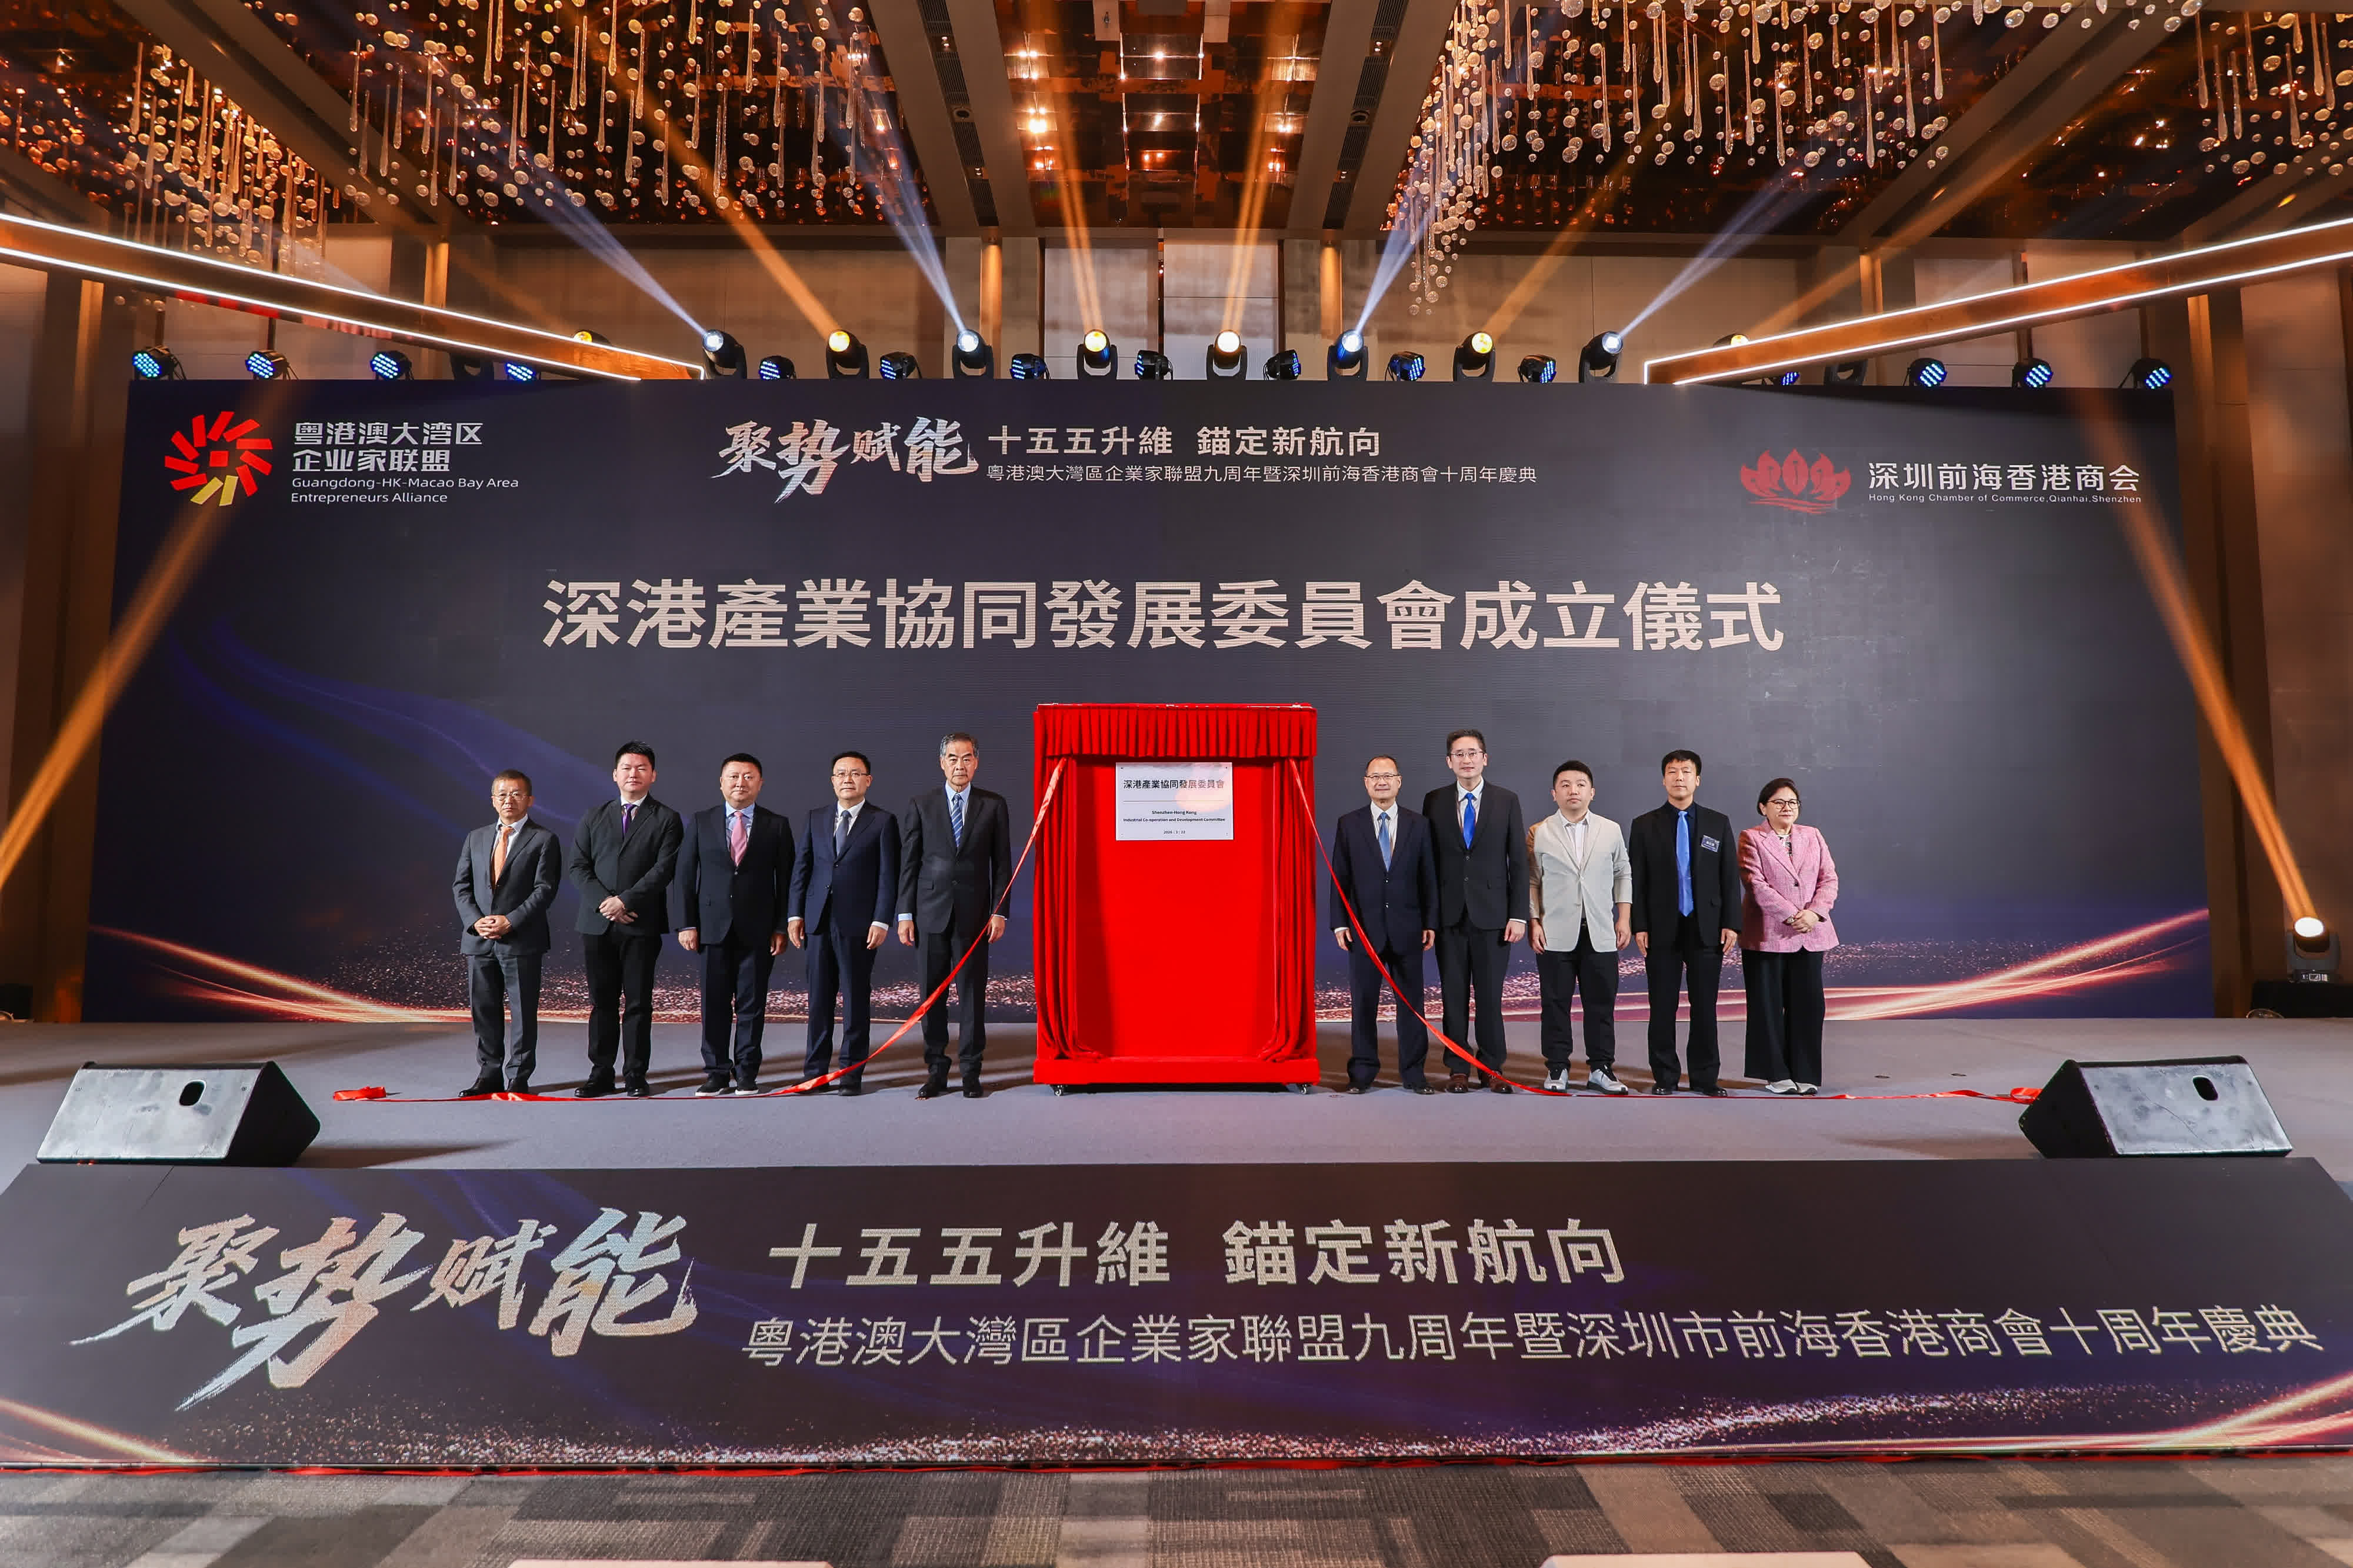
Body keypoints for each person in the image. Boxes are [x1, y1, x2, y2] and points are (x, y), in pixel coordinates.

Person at [896, 732, 1012, 1100]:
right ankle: (936, 1071)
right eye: (952, 758)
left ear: (976, 762)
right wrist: (905, 913)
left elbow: (1002, 864)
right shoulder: (922, 804)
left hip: (975, 915)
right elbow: (909, 863)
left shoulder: (993, 805)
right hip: (929, 913)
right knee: (932, 996)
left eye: (966, 758)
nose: (959, 765)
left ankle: (971, 1072)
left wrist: (999, 910)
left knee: (973, 996)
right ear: (941, 762)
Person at [566, 742, 683, 1098]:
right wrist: (607, 903)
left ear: (654, 775)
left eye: (642, 768)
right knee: (602, 1003)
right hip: (597, 923)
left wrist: (625, 901)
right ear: (615, 774)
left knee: (638, 1003)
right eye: (627, 768)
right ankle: (601, 1073)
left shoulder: (667, 819)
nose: (634, 774)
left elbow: (664, 869)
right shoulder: (593, 816)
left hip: (641, 923)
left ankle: (635, 1074)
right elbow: (578, 866)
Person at [675, 753, 794, 1097]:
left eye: (748, 777)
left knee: (752, 1005)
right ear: (722, 782)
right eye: (734, 776)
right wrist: (687, 924)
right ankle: (716, 1072)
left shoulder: (777, 824)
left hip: (759, 930)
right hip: (711, 928)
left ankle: (746, 1073)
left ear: (760, 783)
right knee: (714, 1004)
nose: (740, 783)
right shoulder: (702, 821)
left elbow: (787, 882)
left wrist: (781, 927)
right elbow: (685, 877)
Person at [1627, 749, 1741, 1096]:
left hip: (1707, 926)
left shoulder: (1717, 822)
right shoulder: (1644, 825)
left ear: (1698, 780)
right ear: (1663, 780)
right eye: (1673, 772)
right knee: (1662, 1006)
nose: (1679, 777)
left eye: (1686, 772)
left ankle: (1705, 1078)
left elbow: (1729, 877)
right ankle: (1665, 1077)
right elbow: (1637, 880)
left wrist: (1731, 923)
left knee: (1705, 1007)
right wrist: (1639, 925)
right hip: (1661, 927)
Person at [788, 750, 902, 1096]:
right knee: (818, 1002)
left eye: (855, 773)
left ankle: (851, 1074)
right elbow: (802, 868)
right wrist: (795, 914)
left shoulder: (882, 821)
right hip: (818, 921)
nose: (847, 779)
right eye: (841, 773)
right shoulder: (816, 818)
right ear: (832, 780)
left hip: (859, 924)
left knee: (855, 1000)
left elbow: (888, 876)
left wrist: (882, 920)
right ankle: (815, 1073)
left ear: (868, 780)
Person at [1421, 729, 1528, 1093]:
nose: (1466, 760)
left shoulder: (1506, 800)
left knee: (1489, 997)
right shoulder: (1434, 801)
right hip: (1449, 916)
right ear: (1449, 762)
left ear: (1485, 758)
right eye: (1459, 754)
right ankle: (1458, 1068)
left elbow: (1519, 861)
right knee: (1452, 997)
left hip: (1494, 916)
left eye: (1473, 753)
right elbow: (1428, 863)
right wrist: (1429, 917)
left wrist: (1518, 914)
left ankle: (1492, 1067)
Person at [1329, 755, 1438, 1094]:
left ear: (1399, 781)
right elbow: (1340, 877)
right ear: (1366, 783)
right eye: (1375, 777)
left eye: (1388, 776)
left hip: (1409, 928)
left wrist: (1430, 921)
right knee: (1364, 1005)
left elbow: (1429, 878)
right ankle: (1362, 1074)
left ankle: (1414, 1074)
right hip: (1364, 930)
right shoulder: (1349, 824)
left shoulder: (1419, 824)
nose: (1381, 782)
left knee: (1412, 1005)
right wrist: (1339, 924)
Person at [452, 770, 561, 1096]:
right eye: (501, 794)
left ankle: (519, 1076)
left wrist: (511, 921)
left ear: (530, 800)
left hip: (521, 939)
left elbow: (545, 889)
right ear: (492, 800)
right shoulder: (475, 838)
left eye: (516, 794)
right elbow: (461, 886)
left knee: (523, 1012)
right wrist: (476, 922)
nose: (508, 800)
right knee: (484, 1010)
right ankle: (489, 1074)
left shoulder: (544, 839)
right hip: (479, 939)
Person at [1526, 760, 1631, 1096]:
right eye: (1566, 785)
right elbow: (1532, 880)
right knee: (1555, 1003)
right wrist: (1534, 921)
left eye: (1581, 784)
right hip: (1555, 931)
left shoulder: (1610, 829)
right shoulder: (1540, 831)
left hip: (1600, 930)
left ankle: (1601, 1068)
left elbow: (1623, 873)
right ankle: (1557, 1066)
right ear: (1554, 793)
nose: (1574, 790)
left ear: (1592, 792)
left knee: (1601, 1004)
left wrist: (1624, 918)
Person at [1739, 778, 1841, 1096]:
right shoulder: (1751, 838)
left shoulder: (1813, 835)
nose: (1787, 808)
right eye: (1779, 802)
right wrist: (1792, 915)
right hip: (1768, 934)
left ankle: (1805, 1072)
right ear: (1763, 807)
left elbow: (1829, 879)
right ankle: (1776, 1073)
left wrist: (1814, 913)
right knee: (1767, 1006)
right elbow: (1755, 885)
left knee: (1809, 1006)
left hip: (1812, 932)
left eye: (1792, 803)